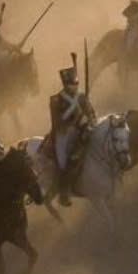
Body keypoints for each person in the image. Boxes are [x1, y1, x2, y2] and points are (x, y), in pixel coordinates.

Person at [49, 62, 95, 205]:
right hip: (64, 134)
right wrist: (74, 115)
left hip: (82, 130)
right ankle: (64, 191)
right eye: (71, 83)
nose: (74, 86)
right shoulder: (56, 99)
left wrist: (91, 122)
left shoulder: (81, 97)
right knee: (63, 162)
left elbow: (92, 113)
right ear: (65, 84)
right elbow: (57, 122)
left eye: (76, 83)